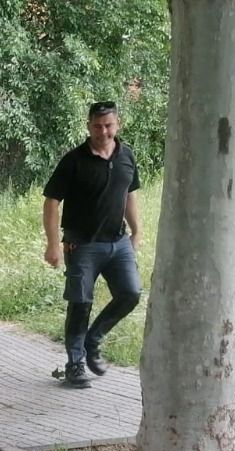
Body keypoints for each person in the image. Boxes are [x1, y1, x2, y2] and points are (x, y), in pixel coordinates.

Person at [42, 100, 143, 388]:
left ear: (117, 124)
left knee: (131, 293)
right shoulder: (74, 160)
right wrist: (52, 244)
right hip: (82, 245)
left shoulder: (127, 156)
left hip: (118, 242)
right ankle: (75, 364)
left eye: (108, 125)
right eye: (97, 126)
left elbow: (129, 195)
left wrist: (137, 231)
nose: (103, 131)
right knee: (80, 302)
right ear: (88, 126)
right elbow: (51, 201)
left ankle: (92, 340)